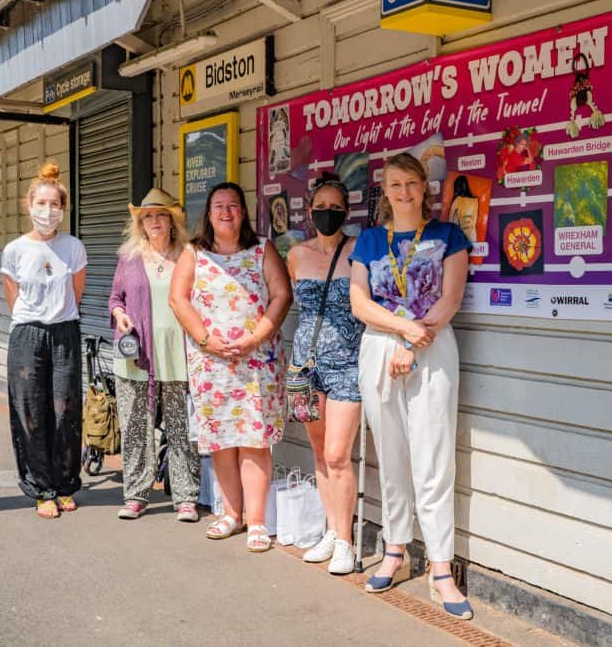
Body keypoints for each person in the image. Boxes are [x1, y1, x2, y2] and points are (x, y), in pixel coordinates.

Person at [348, 153, 473, 620]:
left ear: (424, 188)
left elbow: (452, 297)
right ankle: (395, 549)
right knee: (393, 454)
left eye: (411, 184)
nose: (403, 192)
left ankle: (441, 567)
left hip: (433, 346)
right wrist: (402, 332)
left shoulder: (447, 235)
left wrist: (416, 339)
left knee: (434, 457)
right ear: (385, 190)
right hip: (381, 347)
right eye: (395, 185)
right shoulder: (369, 240)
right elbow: (360, 302)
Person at [169, 182, 291, 553]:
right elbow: (178, 299)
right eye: (218, 206)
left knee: (254, 441)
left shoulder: (261, 250)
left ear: (244, 212)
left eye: (233, 206)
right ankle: (231, 514)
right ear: (208, 214)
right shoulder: (194, 252)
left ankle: (256, 521)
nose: (226, 212)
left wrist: (256, 337)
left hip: (256, 362)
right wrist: (206, 340)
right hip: (212, 363)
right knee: (222, 440)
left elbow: (282, 294)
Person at [286, 173, 363, 574]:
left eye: (336, 208)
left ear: (346, 212)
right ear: (310, 210)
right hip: (305, 365)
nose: (327, 214)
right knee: (318, 453)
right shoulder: (297, 255)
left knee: (337, 455)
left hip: (348, 364)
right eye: (321, 208)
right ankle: (332, 532)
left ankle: (346, 541)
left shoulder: (357, 250)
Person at [0, 161, 87, 519]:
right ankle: (40, 489)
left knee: (64, 410)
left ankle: (65, 483)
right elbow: (13, 298)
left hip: (64, 330)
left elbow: (76, 294)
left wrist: (56, 316)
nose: (47, 211)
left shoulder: (73, 247)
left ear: (63, 210)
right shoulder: (15, 250)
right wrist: (37, 321)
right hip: (27, 335)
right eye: (41, 203)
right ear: (29, 205)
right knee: (30, 413)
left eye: (55, 205)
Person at [109, 188, 201, 521]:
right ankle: (135, 495)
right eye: (147, 217)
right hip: (136, 356)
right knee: (135, 426)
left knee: (181, 427)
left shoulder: (188, 255)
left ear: (173, 220)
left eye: (160, 215)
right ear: (140, 224)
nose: (154, 221)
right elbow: (115, 299)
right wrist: (119, 314)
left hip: (178, 354)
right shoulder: (129, 257)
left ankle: (186, 496)